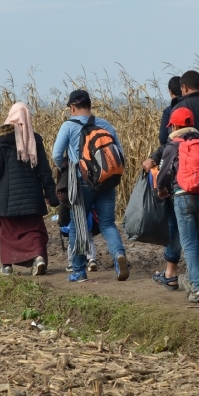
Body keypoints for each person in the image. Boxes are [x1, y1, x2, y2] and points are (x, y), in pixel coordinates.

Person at [145, 70, 199, 289]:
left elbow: (165, 142)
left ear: (183, 88)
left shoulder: (180, 108)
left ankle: (174, 274)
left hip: (185, 181)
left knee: (181, 229)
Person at [53, 89, 129, 281]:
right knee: (107, 223)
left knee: (78, 225)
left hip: (81, 183)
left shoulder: (68, 126)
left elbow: (56, 155)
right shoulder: (105, 125)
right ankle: (119, 256)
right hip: (106, 182)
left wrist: (66, 164)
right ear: (89, 105)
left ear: (72, 107)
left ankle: (79, 271)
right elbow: (119, 154)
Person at [0, 102, 59, 276]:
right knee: (34, 230)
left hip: (7, 198)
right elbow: (44, 170)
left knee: (8, 231)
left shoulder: (1, 140)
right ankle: (38, 258)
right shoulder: (35, 139)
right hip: (31, 196)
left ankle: (7, 266)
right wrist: (51, 194)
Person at [157, 107, 199, 302]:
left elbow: (164, 174)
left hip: (183, 197)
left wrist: (160, 189)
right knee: (195, 238)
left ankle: (196, 288)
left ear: (175, 125)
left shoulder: (172, 146)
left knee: (190, 244)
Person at [157, 76, 182, 146]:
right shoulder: (190, 106)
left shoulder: (168, 111)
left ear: (170, 92)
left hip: (173, 149)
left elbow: (163, 138)